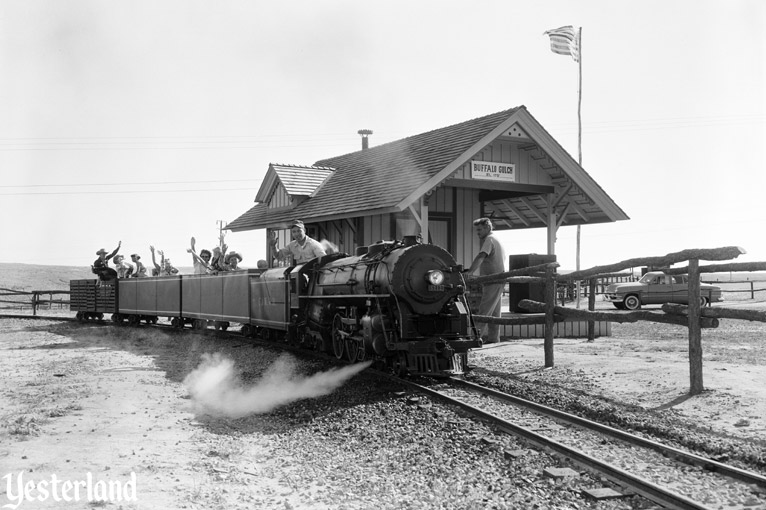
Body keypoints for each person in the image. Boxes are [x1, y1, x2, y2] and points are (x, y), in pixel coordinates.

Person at [465, 217, 506, 344]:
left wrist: (470, 271)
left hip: (493, 280)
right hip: (498, 278)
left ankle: (474, 339)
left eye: (479, 230)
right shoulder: (495, 239)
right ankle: (494, 339)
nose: (478, 233)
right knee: (494, 312)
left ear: (487, 227)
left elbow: (481, 256)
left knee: (484, 310)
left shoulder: (489, 240)